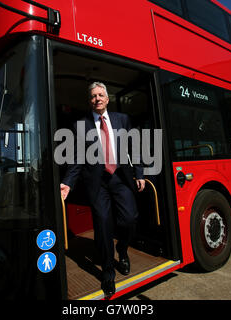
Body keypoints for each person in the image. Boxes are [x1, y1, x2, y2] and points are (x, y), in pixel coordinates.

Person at [60, 82, 145, 298]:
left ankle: (123, 250)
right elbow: (77, 158)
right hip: (97, 184)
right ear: (89, 101)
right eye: (93, 96)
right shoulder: (81, 125)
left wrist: (140, 173)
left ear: (107, 99)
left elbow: (133, 148)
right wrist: (68, 182)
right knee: (103, 226)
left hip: (120, 178)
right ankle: (108, 273)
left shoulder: (122, 120)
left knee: (130, 219)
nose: (97, 98)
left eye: (101, 95)